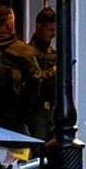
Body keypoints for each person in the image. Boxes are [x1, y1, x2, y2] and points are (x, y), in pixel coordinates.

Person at [0, 5, 49, 134]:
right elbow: (36, 82)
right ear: (9, 22)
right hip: (12, 120)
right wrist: (25, 113)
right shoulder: (21, 51)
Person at [28, 7, 58, 141]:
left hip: (52, 108)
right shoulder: (28, 52)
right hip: (36, 109)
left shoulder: (53, 53)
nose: (53, 34)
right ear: (39, 27)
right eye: (50, 30)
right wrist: (54, 71)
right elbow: (35, 78)